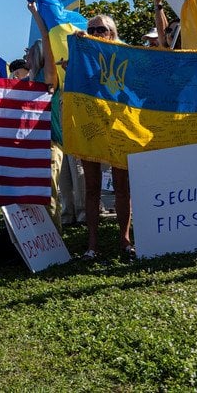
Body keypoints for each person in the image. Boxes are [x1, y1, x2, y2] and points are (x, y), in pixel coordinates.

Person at [73, 15, 134, 260]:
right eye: (92, 29)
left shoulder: (125, 52)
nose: (97, 32)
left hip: (118, 126)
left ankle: (125, 240)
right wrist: (78, 52)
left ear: (112, 31)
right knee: (91, 188)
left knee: (121, 187)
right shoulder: (83, 54)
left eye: (102, 28)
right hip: (91, 125)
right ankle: (92, 245)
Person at [27, 0, 85, 232]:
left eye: (31, 54)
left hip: (57, 135)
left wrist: (39, 18)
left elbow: (50, 48)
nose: (27, 57)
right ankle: (58, 223)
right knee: (51, 184)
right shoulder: (29, 80)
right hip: (41, 140)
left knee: (59, 182)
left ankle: (61, 229)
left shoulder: (49, 78)